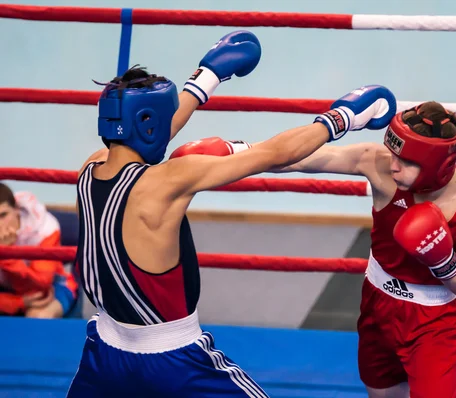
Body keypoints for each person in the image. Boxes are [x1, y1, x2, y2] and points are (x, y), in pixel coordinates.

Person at [66, 28, 397, 397]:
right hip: (172, 358)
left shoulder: (89, 169)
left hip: (105, 350)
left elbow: (150, 135)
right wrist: (341, 118)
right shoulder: (169, 181)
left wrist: (206, 78)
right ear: (149, 123)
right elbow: (274, 154)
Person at [178, 101, 456, 398]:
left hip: (434, 322)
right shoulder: (379, 163)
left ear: (437, 167)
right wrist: (236, 150)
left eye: (406, 161)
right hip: (378, 303)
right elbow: (300, 159)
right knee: (381, 391)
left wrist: (443, 261)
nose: (394, 166)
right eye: (393, 154)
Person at [0, 183, 78, 318]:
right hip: (7, 292)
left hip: (51, 287)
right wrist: (17, 303)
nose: (0, 224)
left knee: (38, 316)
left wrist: (7, 255)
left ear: (16, 209)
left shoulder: (46, 229)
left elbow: (39, 289)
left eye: (3, 215)